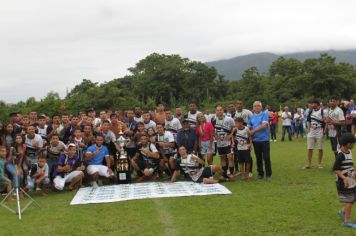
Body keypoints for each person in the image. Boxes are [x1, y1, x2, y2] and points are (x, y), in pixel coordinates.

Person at [332, 133, 356, 228]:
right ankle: (346, 222)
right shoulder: (340, 155)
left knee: (353, 197)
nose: (354, 145)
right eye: (352, 143)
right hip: (343, 182)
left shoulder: (349, 152)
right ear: (348, 144)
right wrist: (344, 178)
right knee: (349, 200)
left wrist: (353, 173)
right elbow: (336, 170)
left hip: (350, 179)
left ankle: (343, 211)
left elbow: (349, 165)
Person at [248, 101, 272, 180]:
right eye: (255, 106)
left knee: (266, 157)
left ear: (261, 107)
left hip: (264, 140)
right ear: (253, 108)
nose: (257, 107)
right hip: (256, 141)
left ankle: (268, 174)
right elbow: (248, 128)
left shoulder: (265, 114)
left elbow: (264, 125)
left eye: (258, 106)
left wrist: (253, 131)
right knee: (258, 158)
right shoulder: (251, 118)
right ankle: (260, 174)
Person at [212, 105, 235, 179]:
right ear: (216, 112)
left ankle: (231, 173)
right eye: (218, 110)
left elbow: (234, 128)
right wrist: (215, 135)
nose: (219, 111)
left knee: (230, 157)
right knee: (222, 158)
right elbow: (212, 129)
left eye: (220, 110)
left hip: (227, 142)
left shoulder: (229, 119)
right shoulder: (213, 120)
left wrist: (230, 135)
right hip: (219, 142)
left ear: (223, 111)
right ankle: (224, 174)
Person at [305, 100, 325, 169]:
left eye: (313, 104)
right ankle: (309, 164)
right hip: (312, 130)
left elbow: (325, 121)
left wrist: (324, 131)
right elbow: (308, 121)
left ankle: (319, 164)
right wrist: (308, 129)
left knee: (320, 148)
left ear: (317, 104)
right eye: (311, 103)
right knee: (309, 148)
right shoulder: (310, 111)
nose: (312, 105)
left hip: (319, 130)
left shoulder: (322, 111)